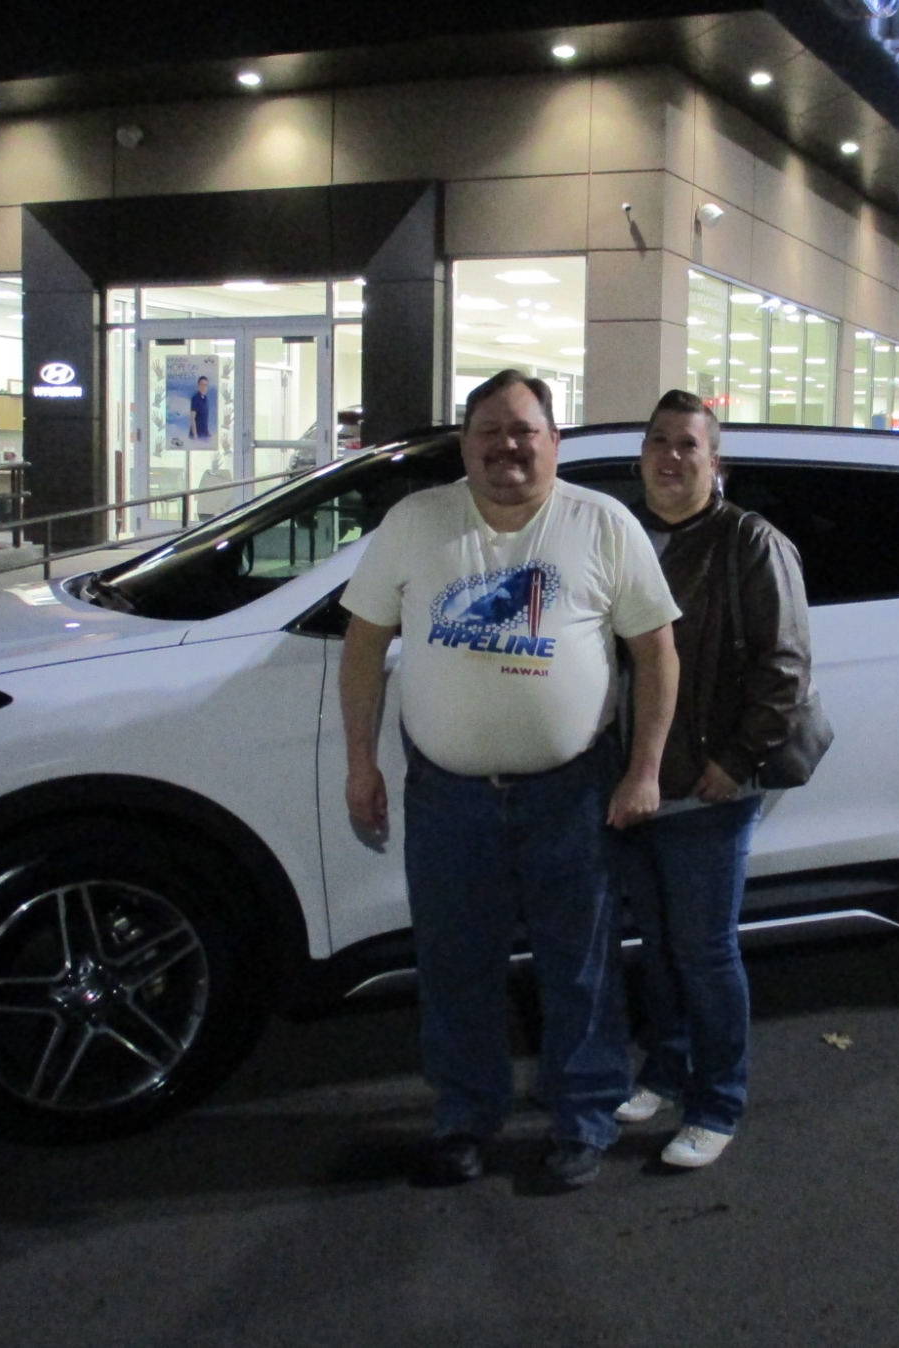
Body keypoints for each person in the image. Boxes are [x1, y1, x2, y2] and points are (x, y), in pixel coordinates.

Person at [340, 369, 679, 1191]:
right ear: (465, 444)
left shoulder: (602, 524)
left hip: (572, 792)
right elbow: (363, 646)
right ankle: (464, 1117)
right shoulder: (417, 522)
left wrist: (644, 770)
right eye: (489, 430)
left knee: (580, 966)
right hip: (447, 796)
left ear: (554, 441)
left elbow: (656, 651)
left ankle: (584, 1117)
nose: (507, 446)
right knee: (455, 965)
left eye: (524, 430)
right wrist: (360, 761)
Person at [613, 389, 815, 1169]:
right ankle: (666, 1072)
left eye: (687, 444)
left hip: (705, 785)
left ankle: (717, 1103)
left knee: (703, 951)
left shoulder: (749, 542)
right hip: (633, 782)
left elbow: (785, 669)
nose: (670, 456)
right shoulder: (625, 536)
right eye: (658, 441)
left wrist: (736, 762)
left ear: (714, 459)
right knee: (659, 946)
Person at [190, 375, 212, 442]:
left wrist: (208, 431)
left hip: (204, 434)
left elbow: (205, 417)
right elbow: (192, 418)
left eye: (205, 385)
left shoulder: (205, 398)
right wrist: (195, 434)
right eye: (201, 385)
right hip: (197, 435)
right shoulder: (195, 398)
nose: (203, 387)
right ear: (198, 386)